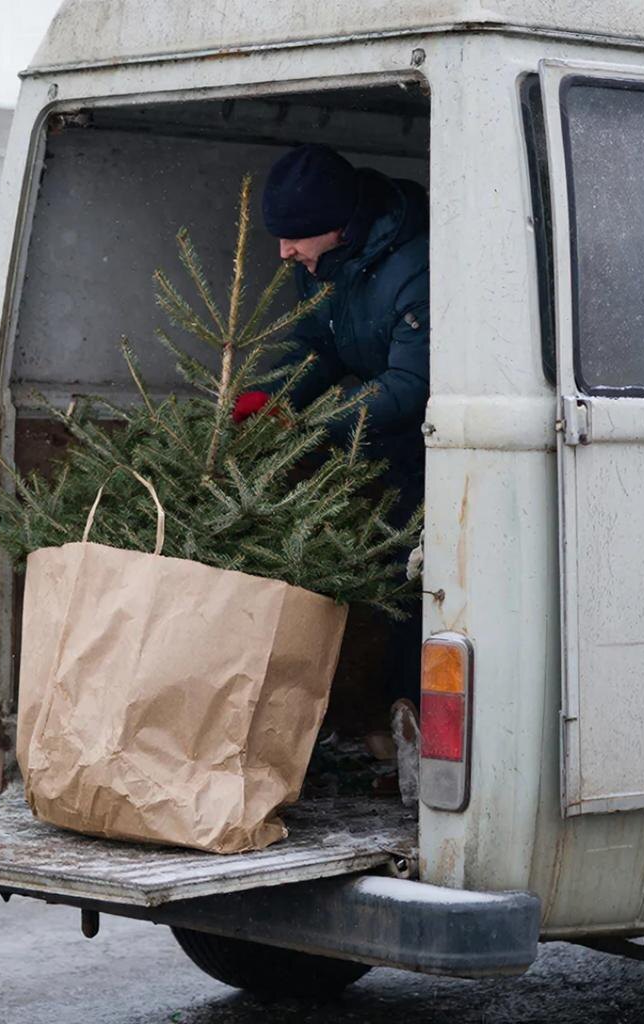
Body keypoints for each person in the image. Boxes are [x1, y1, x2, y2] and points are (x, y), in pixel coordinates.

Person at [235, 143, 429, 712]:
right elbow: (320, 345)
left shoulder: (415, 266)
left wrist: (311, 424)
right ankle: (367, 719)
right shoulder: (325, 263)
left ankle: (405, 716)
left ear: (340, 226)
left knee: (408, 586)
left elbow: (411, 385)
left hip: (427, 451)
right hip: (376, 442)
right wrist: (266, 397)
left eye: (296, 235)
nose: (283, 251)